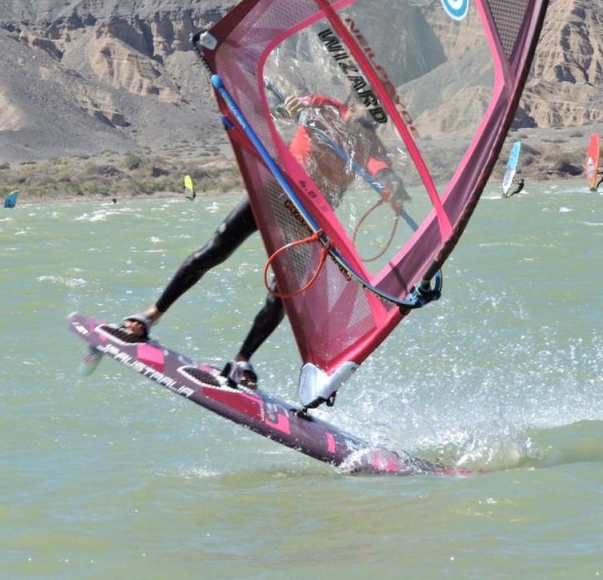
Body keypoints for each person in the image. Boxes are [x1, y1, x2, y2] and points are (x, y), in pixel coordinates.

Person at [82, 93, 408, 389]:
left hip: (306, 221)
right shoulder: (322, 107)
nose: (369, 126)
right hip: (271, 193)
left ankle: (242, 360)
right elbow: (286, 106)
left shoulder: (369, 144)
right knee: (213, 252)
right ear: (350, 105)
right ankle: (148, 317)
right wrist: (290, 108)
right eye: (366, 117)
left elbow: (381, 167)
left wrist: (391, 184)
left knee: (283, 295)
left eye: (376, 121)